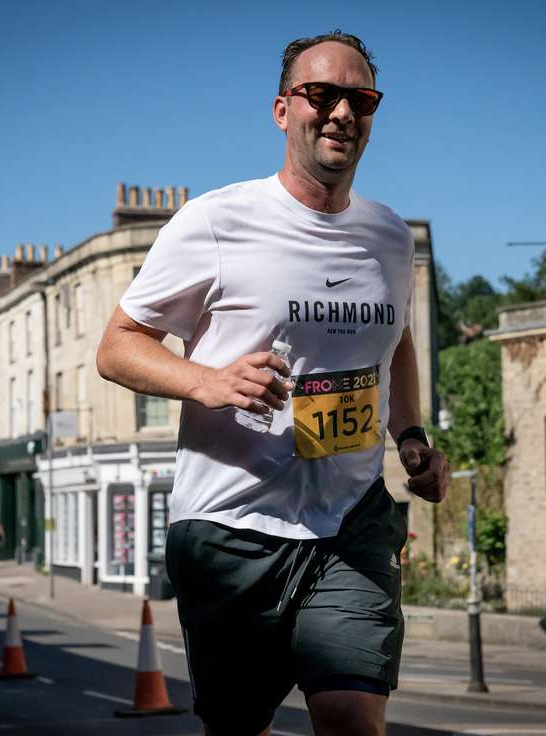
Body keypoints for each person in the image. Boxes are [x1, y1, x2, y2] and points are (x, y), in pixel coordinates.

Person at [97, 30, 450, 736]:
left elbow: (399, 338)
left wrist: (408, 433)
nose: (342, 111)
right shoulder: (217, 221)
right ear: (283, 110)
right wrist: (206, 380)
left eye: (361, 97)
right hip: (233, 533)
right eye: (321, 94)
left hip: (350, 524)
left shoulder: (388, 237)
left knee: (353, 721)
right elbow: (117, 347)